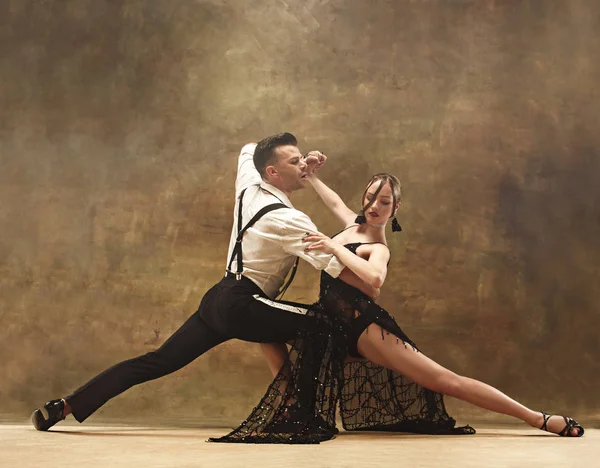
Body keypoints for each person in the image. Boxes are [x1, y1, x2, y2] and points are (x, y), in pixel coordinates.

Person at [212, 159, 584, 444]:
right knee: (259, 324)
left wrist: (331, 248)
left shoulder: (377, 247)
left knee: (445, 380)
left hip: (364, 329)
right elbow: (336, 201)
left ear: (395, 209)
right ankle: (293, 406)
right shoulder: (351, 224)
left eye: (384, 201)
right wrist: (310, 175)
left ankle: (536, 418)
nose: (374, 205)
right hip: (330, 322)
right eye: (371, 197)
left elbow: (374, 282)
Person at [31, 133, 379, 431]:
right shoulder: (289, 219)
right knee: (321, 326)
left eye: (302, 158)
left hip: (218, 298)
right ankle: (298, 416)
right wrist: (371, 264)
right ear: (271, 172)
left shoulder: (249, 183)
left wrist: (300, 161)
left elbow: (249, 148)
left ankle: (65, 406)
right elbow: (337, 267)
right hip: (243, 303)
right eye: (294, 162)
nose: (303, 166)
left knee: (156, 361)